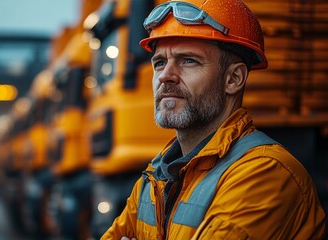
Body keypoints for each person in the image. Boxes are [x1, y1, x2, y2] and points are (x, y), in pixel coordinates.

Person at [101, 0, 327, 239]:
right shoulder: (157, 176)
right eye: (159, 62)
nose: (165, 76)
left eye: (188, 60)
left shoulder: (265, 173)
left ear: (233, 79)